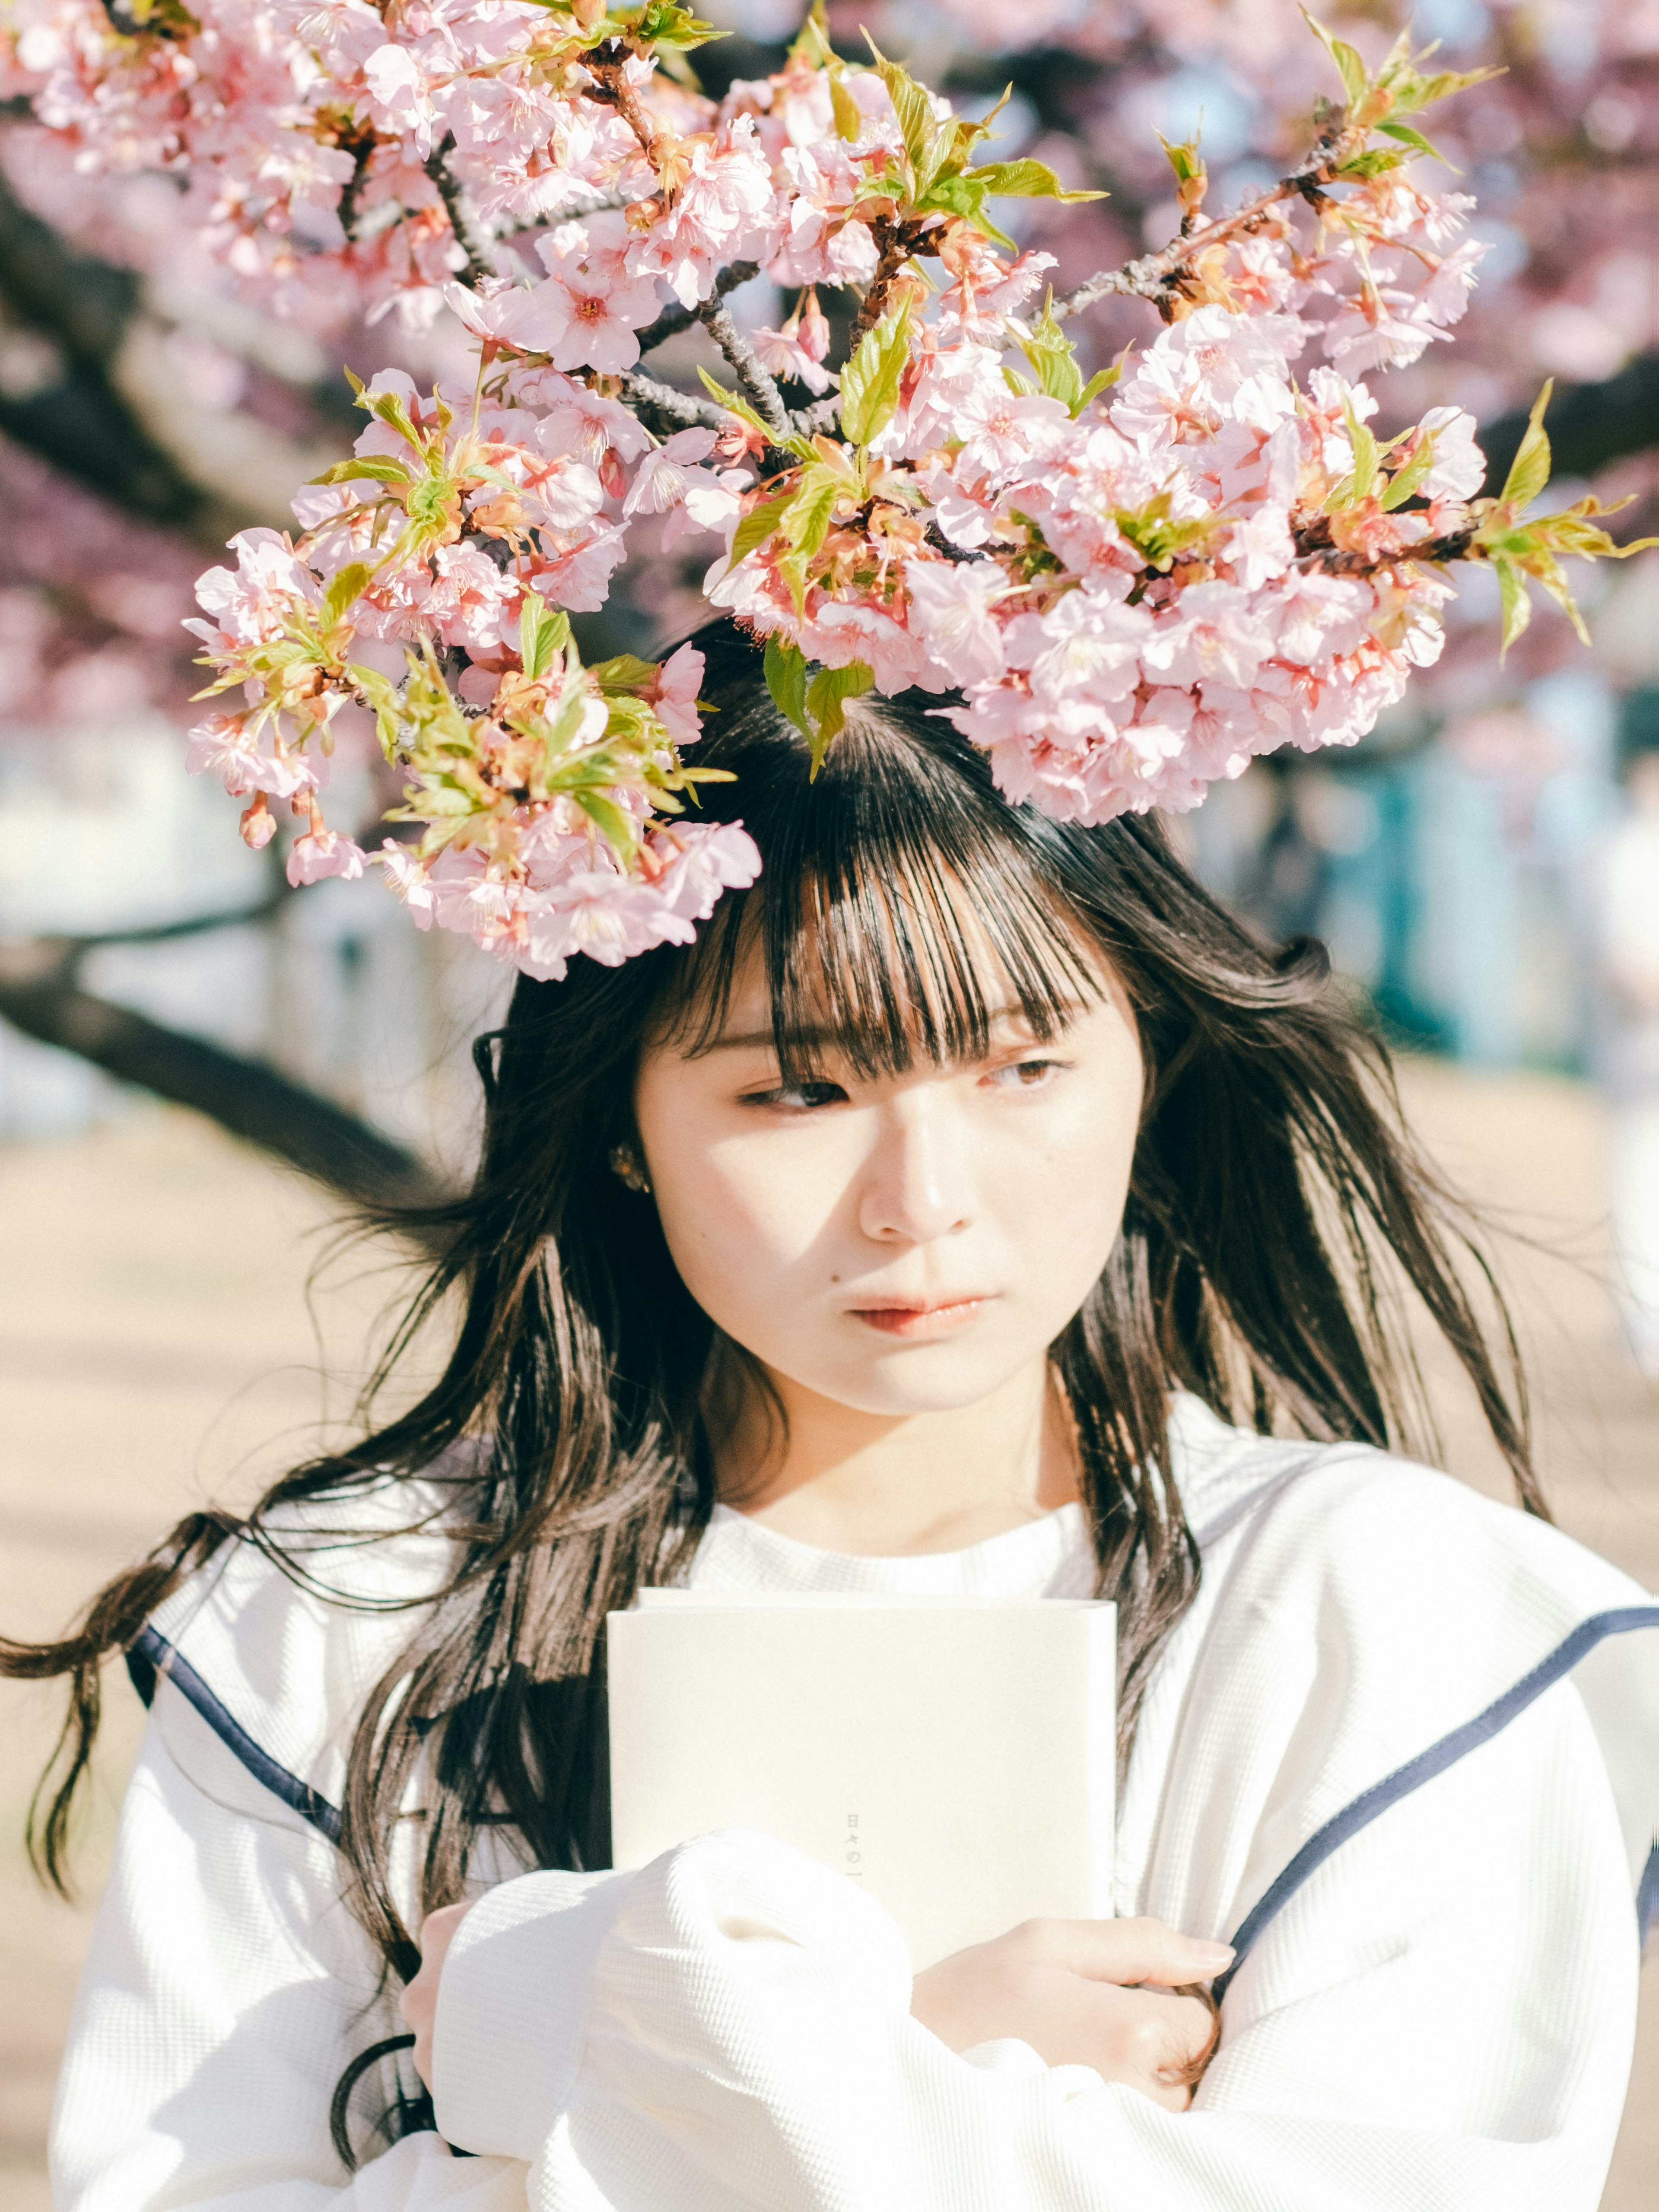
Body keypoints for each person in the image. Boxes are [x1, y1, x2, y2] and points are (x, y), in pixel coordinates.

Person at [7, 620, 1656, 2212]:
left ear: (1146, 1058)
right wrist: (895, 2058)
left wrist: (613, 2043)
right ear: (624, 1126)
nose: (920, 1204)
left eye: (1022, 1069)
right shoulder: (350, 1614)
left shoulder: (1404, 1622)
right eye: (796, 1089)